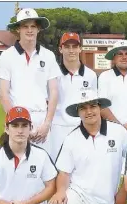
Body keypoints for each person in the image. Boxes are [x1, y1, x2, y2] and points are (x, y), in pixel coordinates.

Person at [0, 8, 61, 204]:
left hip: (42, 120)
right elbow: (4, 93)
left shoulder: (49, 56)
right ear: (18, 30)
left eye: (34, 26)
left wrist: (47, 123)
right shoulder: (7, 56)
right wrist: (17, 123)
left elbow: (53, 92)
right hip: (18, 120)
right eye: (25, 26)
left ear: (38, 29)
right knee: (16, 170)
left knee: (44, 173)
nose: (30, 30)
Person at [50, 32, 98, 161]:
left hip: (82, 126)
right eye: (67, 47)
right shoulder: (53, 74)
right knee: (59, 166)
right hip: (58, 128)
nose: (71, 50)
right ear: (61, 49)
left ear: (80, 48)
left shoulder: (91, 75)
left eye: (74, 46)